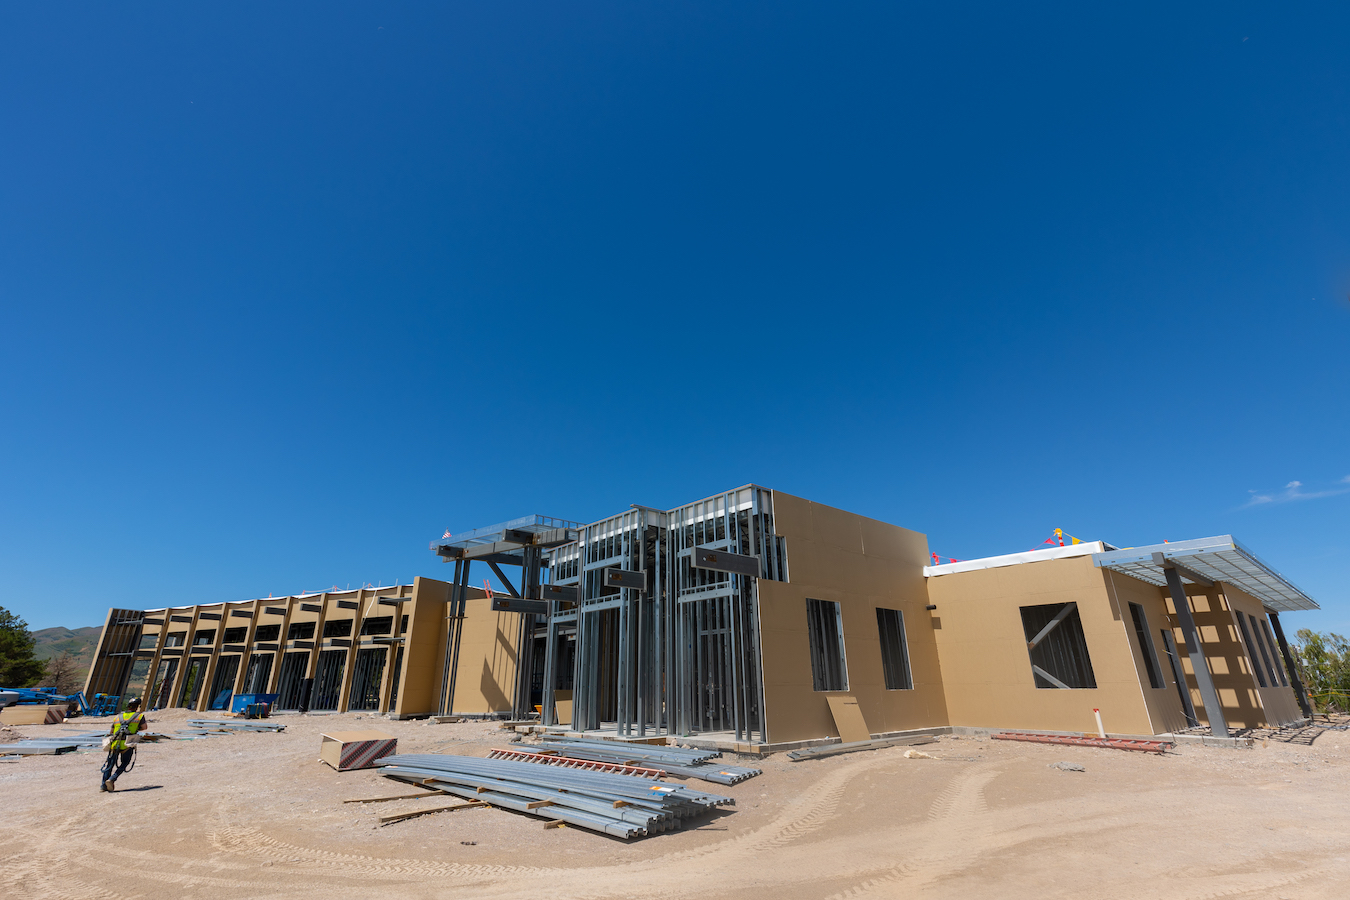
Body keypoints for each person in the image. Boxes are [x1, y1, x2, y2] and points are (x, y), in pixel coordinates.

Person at [101, 697, 146, 792]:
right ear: (137, 707)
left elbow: (111, 731)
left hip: (115, 743)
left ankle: (103, 786)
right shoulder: (139, 716)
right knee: (125, 762)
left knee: (110, 765)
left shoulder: (118, 716)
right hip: (127, 743)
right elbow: (144, 727)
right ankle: (112, 779)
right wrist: (135, 729)